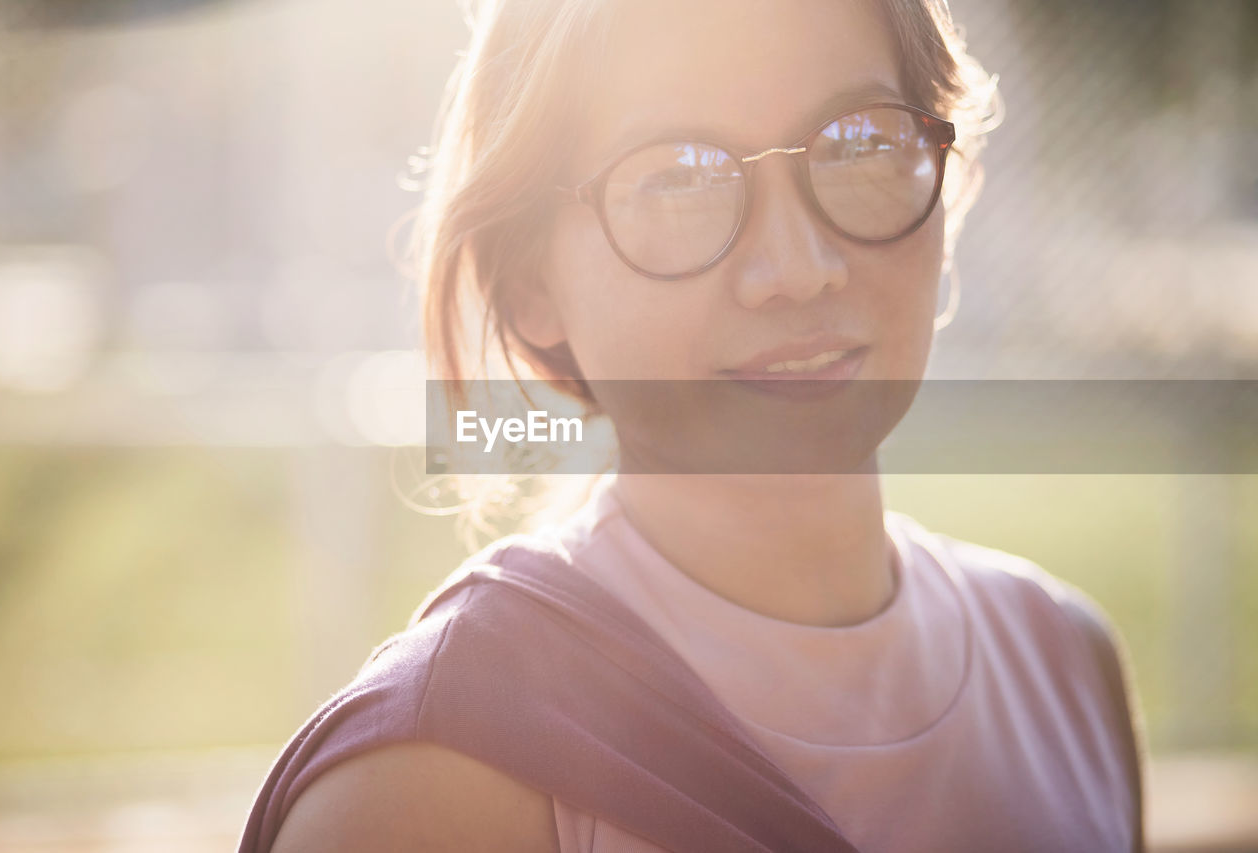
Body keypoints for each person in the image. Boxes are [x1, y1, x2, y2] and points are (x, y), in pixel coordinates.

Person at [240, 0, 1145, 850]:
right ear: (531, 284)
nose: (797, 269)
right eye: (678, 180)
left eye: (859, 142)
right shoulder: (436, 777)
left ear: (951, 178)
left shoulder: (1065, 664)